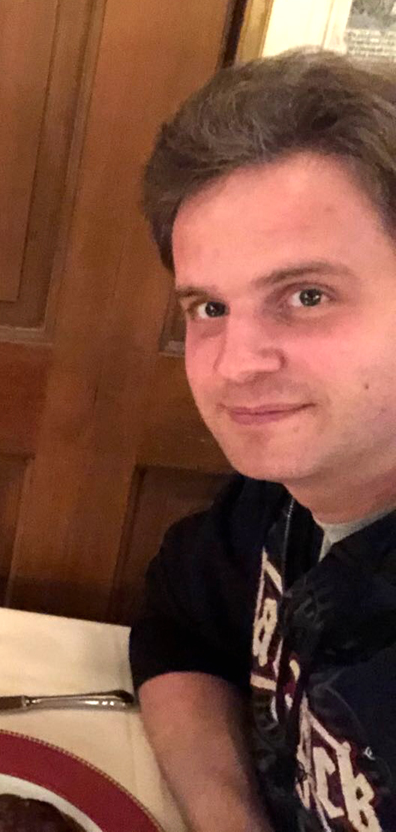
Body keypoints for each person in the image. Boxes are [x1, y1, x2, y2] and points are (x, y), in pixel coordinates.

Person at [131, 48, 396, 832]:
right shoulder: (276, 500)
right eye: (210, 309)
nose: (236, 365)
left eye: (306, 295)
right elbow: (178, 628)